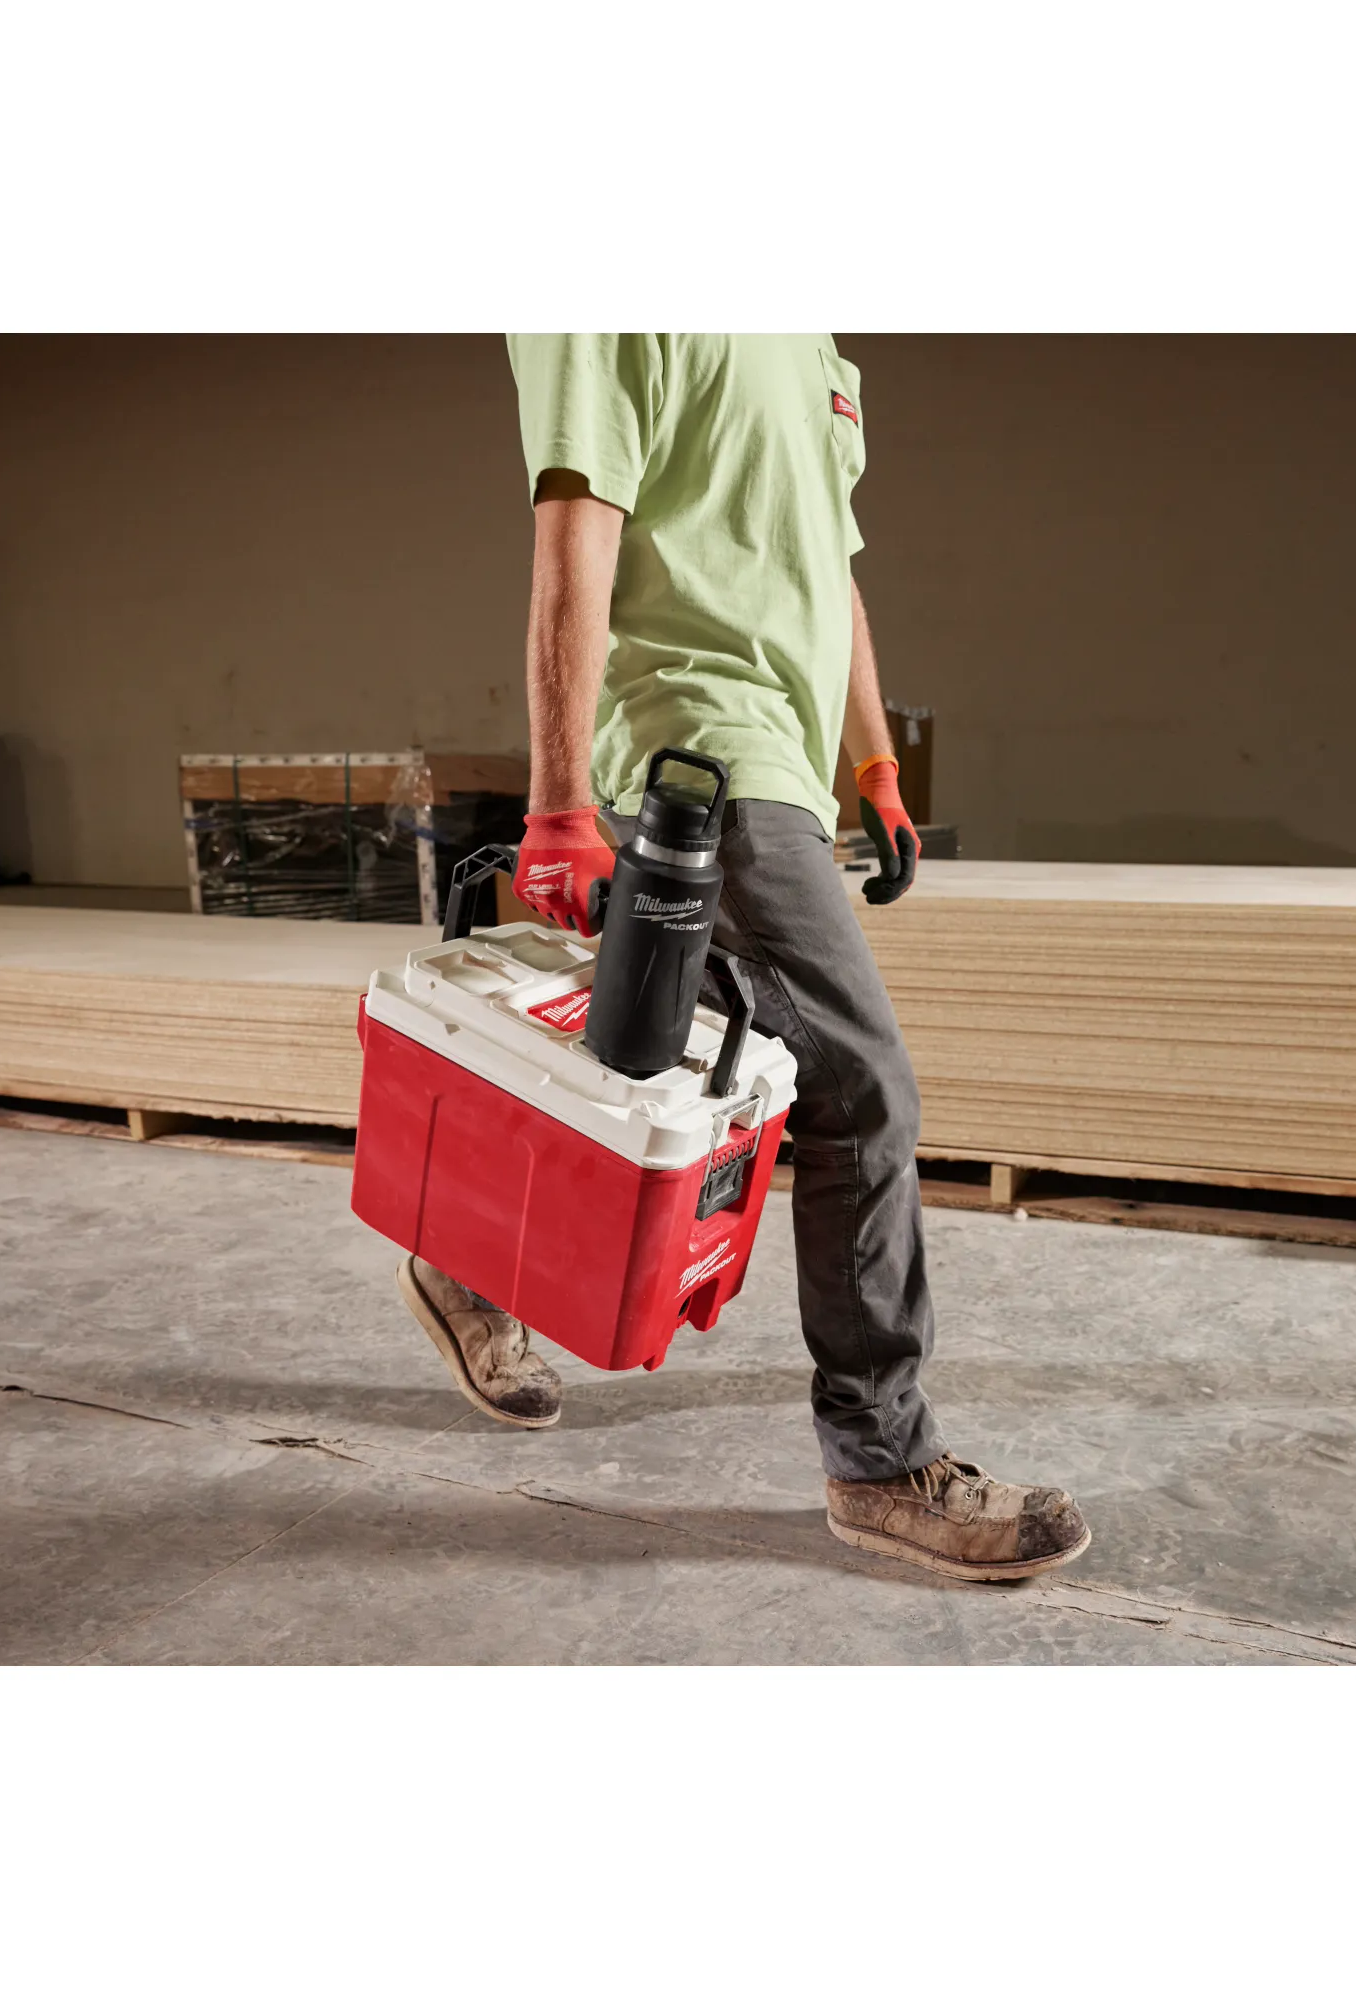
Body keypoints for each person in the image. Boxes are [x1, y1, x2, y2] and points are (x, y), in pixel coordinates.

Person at [393, 334, 1090, 1583]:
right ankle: (881, 1463)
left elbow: (830, 578)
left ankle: (463, 1257)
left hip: (777, 758)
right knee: (860, 1089)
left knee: (642, 1070)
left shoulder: (816, 345)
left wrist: (871, 761)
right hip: (693, 749)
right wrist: (556, 800)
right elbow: (575, 526)